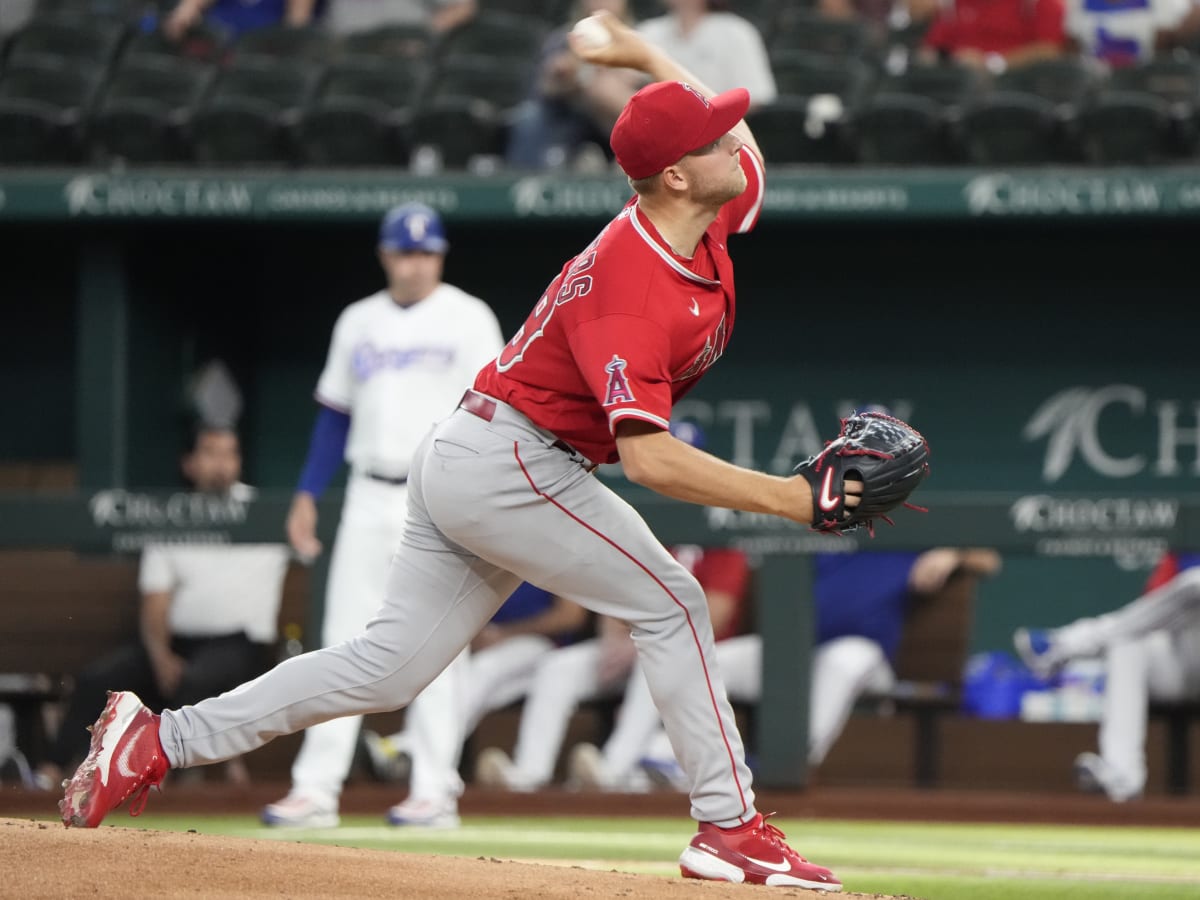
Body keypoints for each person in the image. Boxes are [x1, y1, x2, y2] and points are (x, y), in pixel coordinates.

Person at [60, 12, 873, 889]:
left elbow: (737, 138)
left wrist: (642, 55)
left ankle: (155, 738)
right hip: (509, 461)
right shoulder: (633, 289)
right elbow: (650, 462)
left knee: (386, 669)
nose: (736, 143)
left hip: (478, 452)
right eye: (713, 138)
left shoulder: (698, 208)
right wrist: (792, 499)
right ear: (676, 174)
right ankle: (728, 827)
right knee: (674, 602)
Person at [260, 202, 505, 828]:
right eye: (404, 251)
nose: (416, 262)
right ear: (385, 254)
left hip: (439, 494)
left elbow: (493, 411)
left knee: (442, 645)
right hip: (367, 493)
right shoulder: (357, 321)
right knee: (342, 638)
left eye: (426, 251)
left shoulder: (469, 317)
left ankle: (434, 790)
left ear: (441, 255)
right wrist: (309, 492)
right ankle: (317, 788)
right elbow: (334, 413)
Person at [570, 547, 1002, 791]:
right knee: (687, 654)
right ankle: (620, 768)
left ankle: (783, 765)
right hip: (796, 649)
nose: (864, 474)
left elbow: (990, 558)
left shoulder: (912, 526)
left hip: (868, 657)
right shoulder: (823, 519)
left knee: (845, 660)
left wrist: (954, 553)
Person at [35, 426, 290, 789]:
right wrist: (159, 654)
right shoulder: (171, 515)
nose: (221, 463)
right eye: (210, 452)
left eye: (229, 453)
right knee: (97, 680)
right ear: (189, 463)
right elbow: (155, 601)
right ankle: (48, 773)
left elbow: (312, 539)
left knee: (194, 680)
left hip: (242, 646)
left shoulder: (264, 510)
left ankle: (161, 783)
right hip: (178, 644)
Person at [474, 545, 751, 792]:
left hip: (691, 654)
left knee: (656, 658)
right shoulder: (651, 533)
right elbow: (618, 594)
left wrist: (640, 643)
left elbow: (714, 613)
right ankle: (529, 774)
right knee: (560, 668)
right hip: (633, 644)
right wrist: (614, 637)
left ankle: (612, 770)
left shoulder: (721, 541)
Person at [366, 581, 591, 826]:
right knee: (470, 681)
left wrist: (505, 634)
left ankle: (405, 747)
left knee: (484, 671)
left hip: (545, 646)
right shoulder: (493, 553)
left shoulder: (552, 550)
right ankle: (417, 752)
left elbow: (571, 616)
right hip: (495, 647)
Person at [1014, 548, 1200, 802]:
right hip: (1185, 658)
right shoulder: (1187, 535)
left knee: (1195, 582)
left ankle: (1066, 643)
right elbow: (1153, 609)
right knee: (1127, 643)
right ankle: (1123, 778)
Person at [505, 0, 643, 170]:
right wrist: (561, 76)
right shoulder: (564, 38)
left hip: (616, 117)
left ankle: (624, 161)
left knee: (606, 90)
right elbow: (544, 89)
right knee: (530, 117)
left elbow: (643, 85)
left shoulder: (639, 37)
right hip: (572, 113)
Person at [636, 0, 777, 106]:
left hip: (721, 131)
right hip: (660, 127)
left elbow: (756, 95)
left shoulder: (737, 32)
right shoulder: (649, 31)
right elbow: (624, 79)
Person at [918, 0, 1067, 73]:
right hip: (962, 90)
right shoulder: (955, 4)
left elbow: (1048, 50)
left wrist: (992, 63)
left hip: (1019, 89)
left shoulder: (1036, 3)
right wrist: (951, 60)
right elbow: (930, 50)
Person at [1063, 0, 1195, 67]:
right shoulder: (1078, 3)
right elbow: (1071, 48)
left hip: (1142, 81)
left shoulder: (1160, 3)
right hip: (1094, 84)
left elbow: (1166, 46)